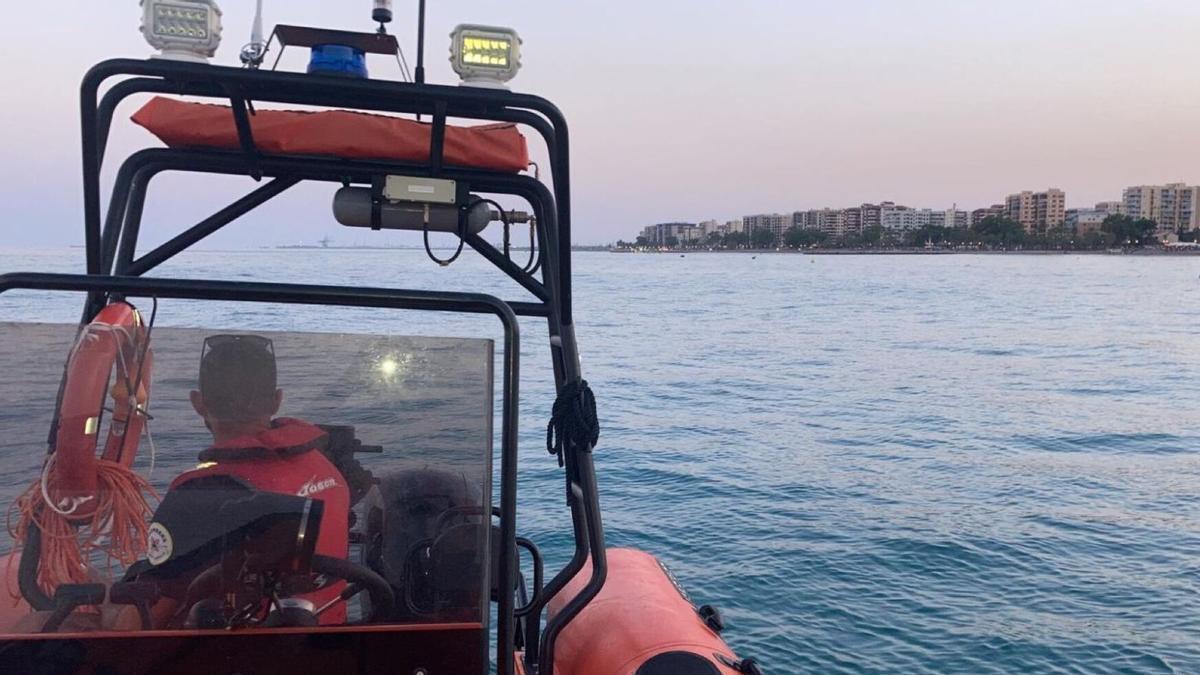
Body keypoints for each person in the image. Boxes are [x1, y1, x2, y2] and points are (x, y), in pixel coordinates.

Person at [121, 334, 351, 628]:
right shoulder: (324, 466)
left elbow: (148, 616)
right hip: (329, 645)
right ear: (277, 400)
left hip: (240, 655)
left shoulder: (202, 492)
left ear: (198, 403)